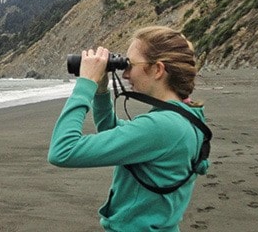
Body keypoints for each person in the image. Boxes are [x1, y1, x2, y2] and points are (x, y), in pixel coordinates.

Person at [48, 26, 209, 232]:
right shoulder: (185, 117)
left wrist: (85, 85)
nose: (124, 74)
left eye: (130, 64)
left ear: (157, 69)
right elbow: (112, 131)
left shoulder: (162, 126)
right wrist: (100, 90)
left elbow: (63, 151)